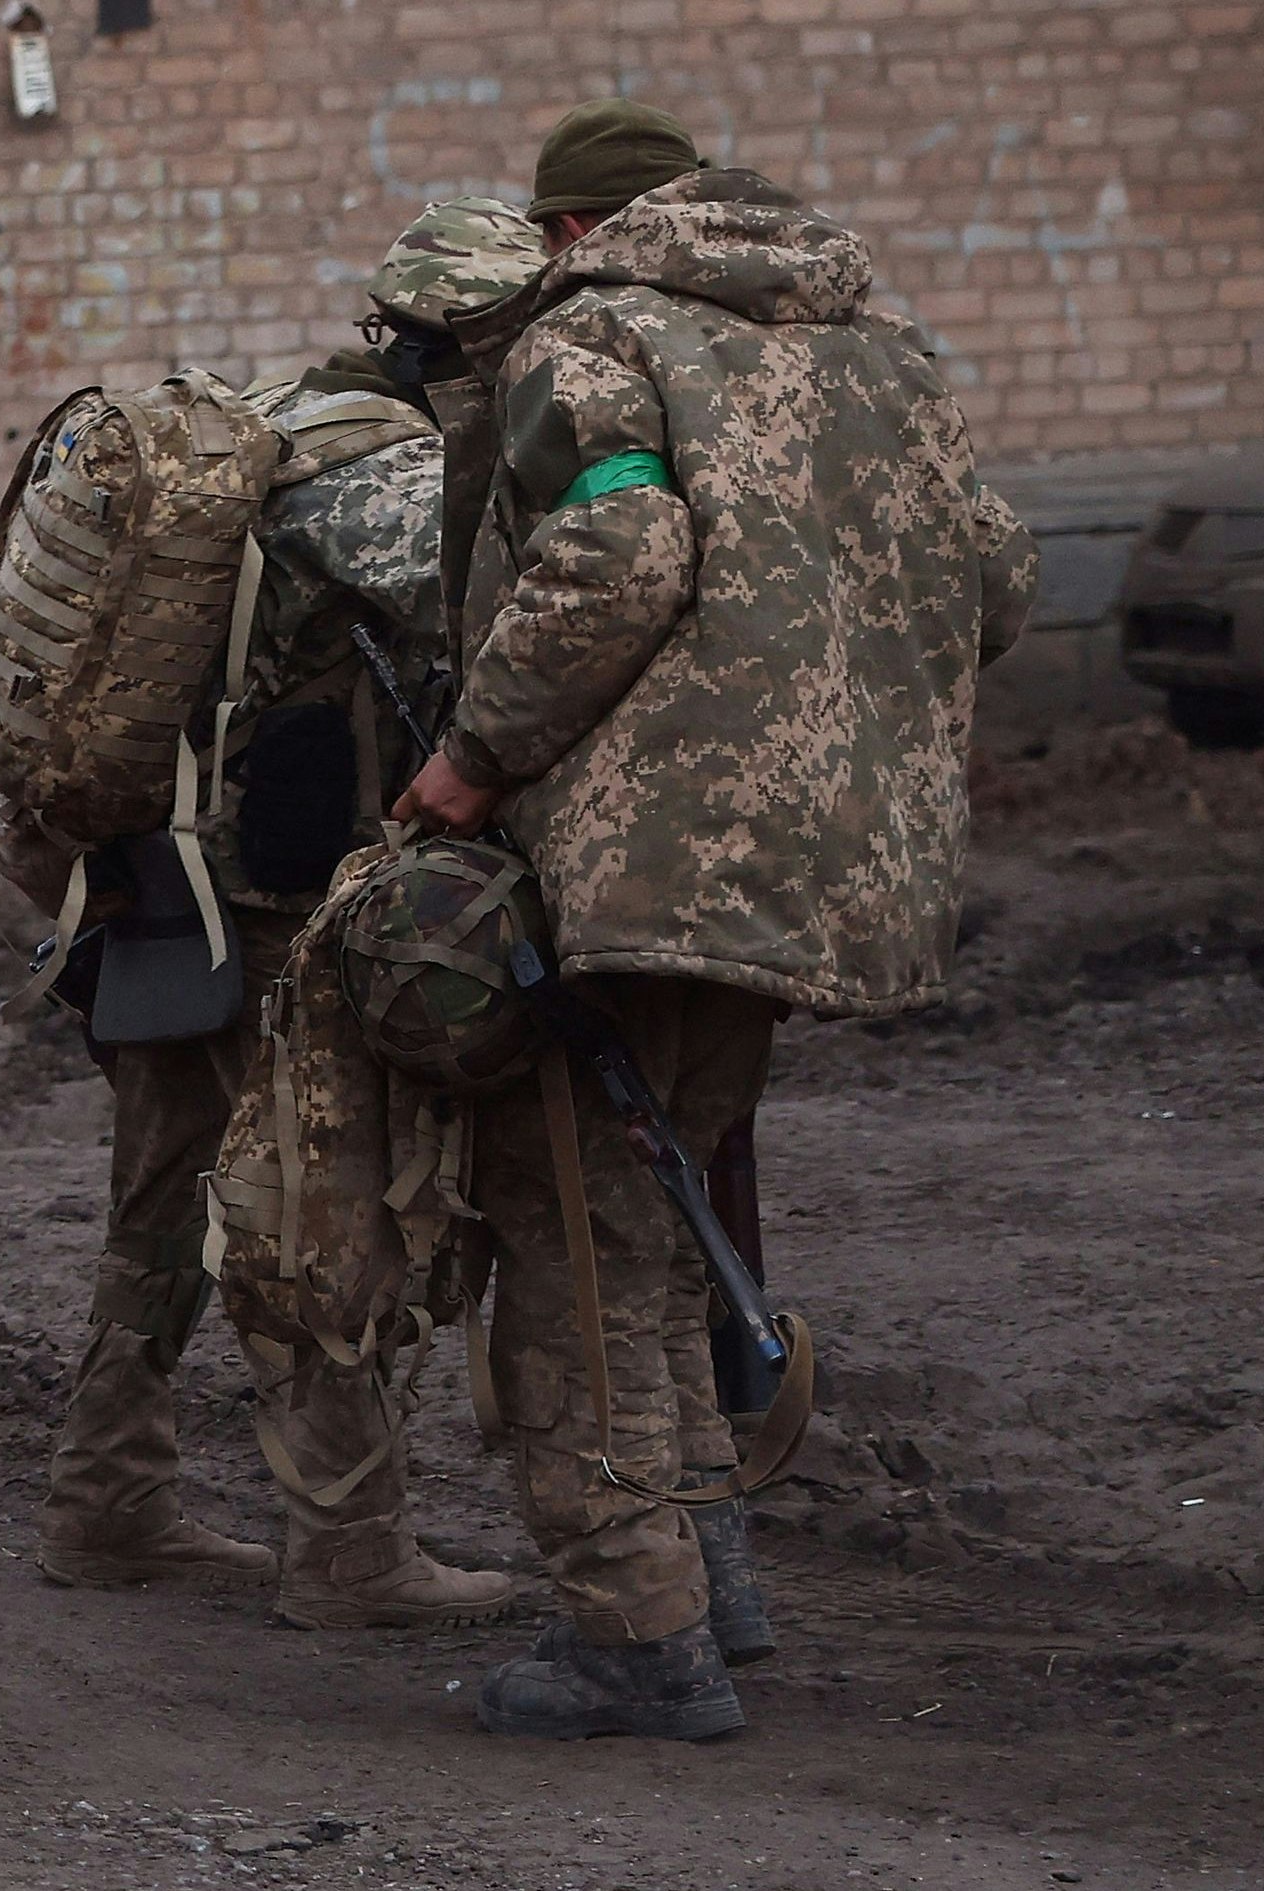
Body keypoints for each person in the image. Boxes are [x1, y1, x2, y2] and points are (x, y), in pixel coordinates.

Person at [391, 99, 1037, 1739]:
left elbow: (613, 553)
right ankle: (708, 1579)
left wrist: (472, 763)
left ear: (568, 232)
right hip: (837, 864)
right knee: (667, 1209)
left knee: (577, 1234)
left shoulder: (594, 343)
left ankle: (633, 1630)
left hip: (646, 860)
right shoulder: (883, 351)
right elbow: (1000, 575)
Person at [32, 201, 543, 1633]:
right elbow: (490, 618)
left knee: (164, 1194)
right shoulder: (377, 466)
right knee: (312, 1208)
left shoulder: (275, 413)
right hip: (264, 905)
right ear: (474, 344)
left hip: (157, 874)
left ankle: (106, 1494)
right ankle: (348, 1542)